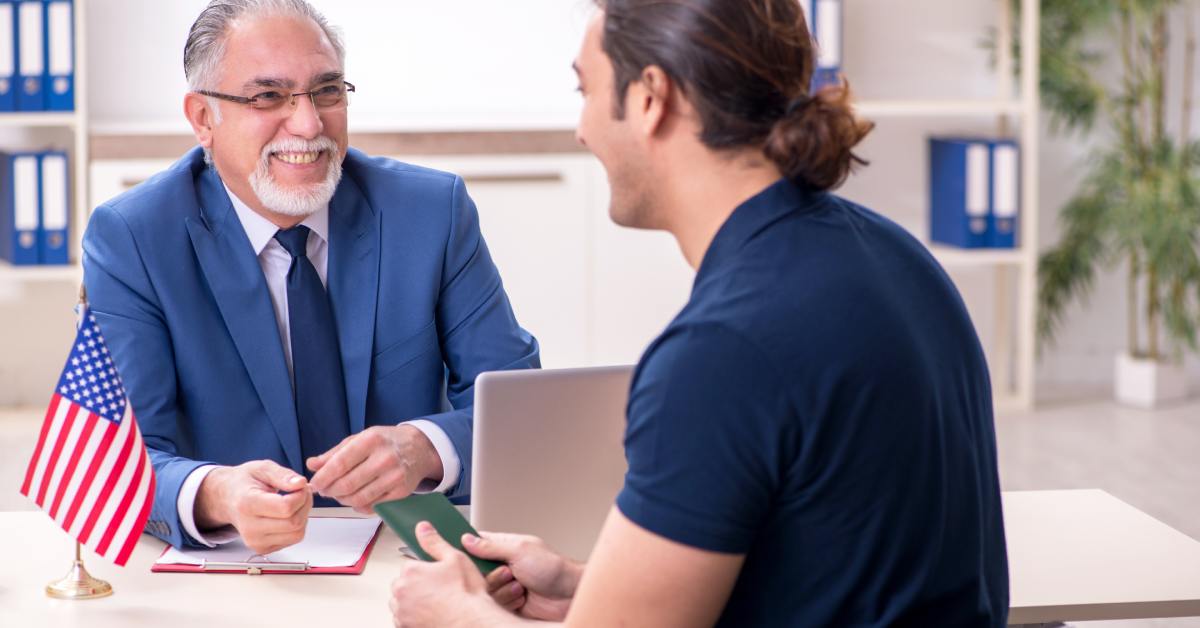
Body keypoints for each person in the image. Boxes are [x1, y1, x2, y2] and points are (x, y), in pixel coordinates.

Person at [387, 0, 1009, 625]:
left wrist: (458, 615)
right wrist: (593, 587)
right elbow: (836, 562)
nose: (582, 129)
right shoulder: (895, 256)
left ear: (652, 97)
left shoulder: (721, 353)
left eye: (587, 90)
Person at [81, 0, 539, 555]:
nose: (308, 124)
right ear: (203, 118)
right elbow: (116, 457)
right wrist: (213, 494)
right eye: (268, 96)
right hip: (236, 567)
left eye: (326, 92)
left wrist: (426, 446)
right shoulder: (133, 237)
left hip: (407, 553)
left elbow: (519, 407)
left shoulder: (431, 212)